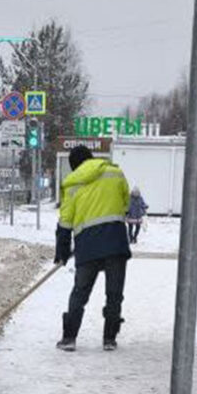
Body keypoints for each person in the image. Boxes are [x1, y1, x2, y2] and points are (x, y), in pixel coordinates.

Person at [54, 145, 131, 351]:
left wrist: (61, 251)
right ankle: (109, 339)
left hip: (87, 246)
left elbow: (65, 222)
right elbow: (126, 204)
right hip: (115, 242)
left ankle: (69, 338)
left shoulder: (71, 183)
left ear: (74, 166)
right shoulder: (115, 172)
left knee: (80, 293)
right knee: (114, 294)